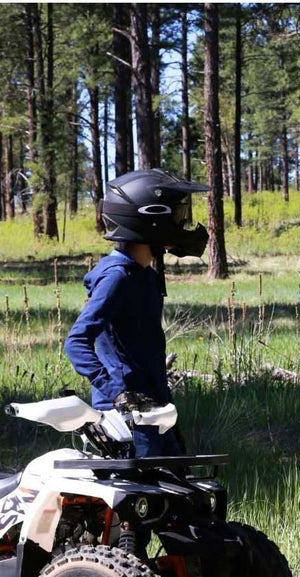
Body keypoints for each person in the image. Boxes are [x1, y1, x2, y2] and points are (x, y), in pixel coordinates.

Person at [64, 169, 209, 457]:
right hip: (124, 422)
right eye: (177, 216)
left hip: (153, 413)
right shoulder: (117, 277)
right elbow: (76, 342)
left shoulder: (145, 275)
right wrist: (118, 393)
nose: (183, 225)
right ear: (151, 220)